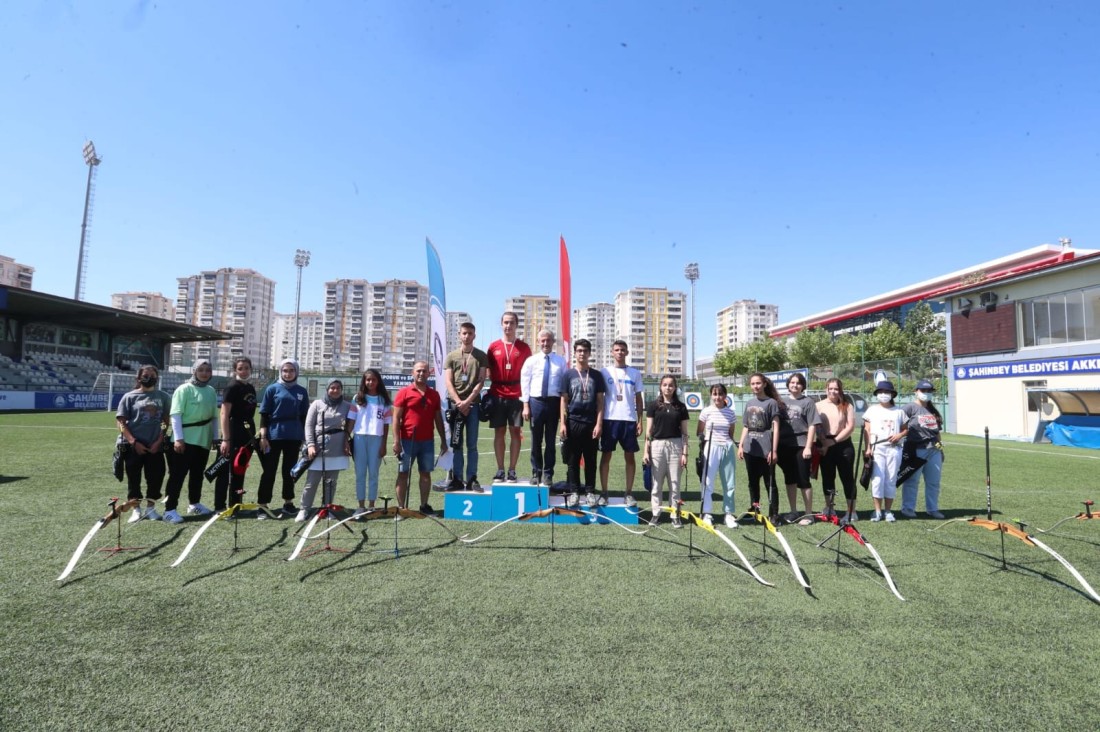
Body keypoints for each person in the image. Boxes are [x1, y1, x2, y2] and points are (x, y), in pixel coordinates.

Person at [163, 358, 219, 524]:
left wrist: (215, 437)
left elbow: (214, 417)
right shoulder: (184, 389)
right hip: (185, 440)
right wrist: (179, 439)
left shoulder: (211, 390)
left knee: (197, 474)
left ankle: (194, 504)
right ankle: (169, 510)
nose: (204, 373)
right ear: (194, 371)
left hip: (204, 439)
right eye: (201, 370)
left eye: (208, 370)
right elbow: (176, 415)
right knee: (177, 475)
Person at [392, 361, 447, 514]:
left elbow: (438, 419)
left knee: (425, 474)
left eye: (424, 371)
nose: (421, 373)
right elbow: (396, 418)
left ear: (429, 373)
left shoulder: (434, 394)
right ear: (412, 373)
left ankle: (424, 506)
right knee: (403, 474)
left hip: (427, 441)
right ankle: (402, 508)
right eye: (418, 371)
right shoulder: (403, 392)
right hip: (407, 440)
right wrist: (397, 441)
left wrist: (443, 440)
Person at [117, 365, 170, 523]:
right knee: (134, 478)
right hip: (134, 446)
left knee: (156, 477)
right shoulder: (129, 397)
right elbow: (121, 422)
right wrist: (133, 442)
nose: (149, 377)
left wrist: (160, 439)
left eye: (152, 375)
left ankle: (151, 508)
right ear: (138, 378)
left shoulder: (163, 397)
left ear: (157, 377)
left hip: (155, 445)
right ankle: (136, 509)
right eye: (146, 375)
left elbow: (164, 422)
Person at [257, 358, 309, 519]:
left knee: (290, 472)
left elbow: (304, 416)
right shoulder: (272, 389)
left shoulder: (302, 391)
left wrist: (304, 438)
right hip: (274, 435)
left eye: (291, 370)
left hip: (293, 435)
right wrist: (263, 436)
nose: (288, 373)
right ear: (281, 371)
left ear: (296, 372)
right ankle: (263, 505)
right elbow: (264, 414)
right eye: (285, 370)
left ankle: (288, 503)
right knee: (269, 471)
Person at [559, 339, 606, 506]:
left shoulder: (597, 375)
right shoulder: (568, 375)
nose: (582, 353)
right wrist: (562, 424)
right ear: (575, 353)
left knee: (591, 460)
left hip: (591, 423)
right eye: (579, 350)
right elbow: (563, 401)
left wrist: (599, 424)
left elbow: (601, 402)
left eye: (585, 351)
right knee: (573, 460)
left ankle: (590, 492)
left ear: (589, 353)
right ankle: (574, 492)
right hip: (572, 422)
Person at [298, 379, 353, 521]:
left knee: (331, 482)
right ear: (327, 389)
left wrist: (347, 440)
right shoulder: (317, 404)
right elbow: (309, 426)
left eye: (338, 388)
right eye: (332, 388)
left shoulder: (347, 406)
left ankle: (327, 508)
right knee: (312, 482)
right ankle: (304, 509)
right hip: (318, 447)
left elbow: (350, 424)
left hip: (337, 448)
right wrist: (310, 444)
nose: (335, 390)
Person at [598, 339, 645, 506]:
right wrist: (599, 421)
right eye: (617, 350)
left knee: (630, 458)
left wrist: (640, 421)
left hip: (629, 420)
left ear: (627, 352)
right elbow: (600, 399)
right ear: (612, 352)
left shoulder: (635, 373)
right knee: (606, 456)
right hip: (609, 420)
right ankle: (604, 492)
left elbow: (639, 399)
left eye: (622, 350)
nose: (620, 352)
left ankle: (629, 493)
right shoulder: (605, 372)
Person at [486, 311, 531, 482]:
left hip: (516, 394)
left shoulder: (524, 348)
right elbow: (488, 370)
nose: (508, 326)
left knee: (515, 432)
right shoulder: (493, 347)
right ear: (501, 324)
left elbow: (528, 374)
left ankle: (512, 470)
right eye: (505, 322)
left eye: (511, 322)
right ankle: (500, 470)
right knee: (499, 432)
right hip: (497, 394)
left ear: (516, 325)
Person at [443, 322, 488, 491]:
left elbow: (481, 381)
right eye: (464, 333)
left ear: (474, 335)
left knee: (472, 445)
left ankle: (472, 479)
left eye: (470, 333)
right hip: (455, 406)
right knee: (456, 444)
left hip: (473, 405)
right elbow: (448, 381)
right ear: (459, 335)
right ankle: (457, 479)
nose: (467, 336)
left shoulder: (481, 356)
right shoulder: (452, 356)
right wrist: (458, 402)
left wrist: (468, 402)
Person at [520, 329, 567, 488]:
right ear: (538, 342)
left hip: (554, 403)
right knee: (535, 441)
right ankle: (536, 472)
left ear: (553, 342)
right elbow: (525, 383)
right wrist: (526, 405)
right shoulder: (531, 361)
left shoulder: (560, 361)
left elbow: (564, 386)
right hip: (536, 403)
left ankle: (548, 474)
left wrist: (563, 410)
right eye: (543, 340)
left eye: (548, 340)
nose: (546, 343)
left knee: (550, 442)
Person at [644, 374, 689, 527]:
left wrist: (685, 453)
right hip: (657, 446)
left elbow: (684, 433)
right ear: (660, 387)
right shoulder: (653, 406)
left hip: (676, 446)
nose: (668, 388)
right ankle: (655, 514)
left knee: (674, 484)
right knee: (656, 484)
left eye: (671, 385)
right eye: (665, 385)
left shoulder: (681, 407)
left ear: (675, 387)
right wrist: (646, 451)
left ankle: (674, 515)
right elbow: (648, 431)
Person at [777, 372, 821, 525]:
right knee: (789, 479)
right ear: (788, 384)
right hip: (784, 446)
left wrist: (808, 447)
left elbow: (812, 425)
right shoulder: (781, 402)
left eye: (798, 383)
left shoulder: (808, 402)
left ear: (803, 386)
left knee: (803, 480)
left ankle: (809, 514)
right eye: (792, 382)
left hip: (801, 446)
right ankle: (794, 511)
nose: (795, 385)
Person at [737, 373, 782, 523]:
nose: (755, 386)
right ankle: (754, 509)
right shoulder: (749, 403)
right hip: (751, 449)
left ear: (764, 384)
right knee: (752, 482)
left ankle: (774, 513)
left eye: (758, 383)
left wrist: (773, 450)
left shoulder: (771, 403)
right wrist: (741, 445)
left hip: (766, 450)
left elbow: (776, 427)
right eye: (752, 384)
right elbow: (746, 426)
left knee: (770, 483)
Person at [214, 357, 256, 512]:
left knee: (240, 470)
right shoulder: (232, 387)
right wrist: (226, 439)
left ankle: (235, 505)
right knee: (225, 472)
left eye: (246, 367)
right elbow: (224, 414)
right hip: (233, 432)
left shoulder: (250, 387)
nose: (244, 371)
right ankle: (219, 507)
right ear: (235, 370)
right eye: (240, 368)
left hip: (247, 433)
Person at [348, 369, 392, 515]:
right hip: (359, 438)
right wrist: (345, 440)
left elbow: (386, 424)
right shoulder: (358, 398)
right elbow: (351, 421)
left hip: (377, 439)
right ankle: (361, 505)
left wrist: (384, 444)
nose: (370, 382)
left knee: (373, 473)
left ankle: (371, 505)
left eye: (373, 379)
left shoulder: (384, 400)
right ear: (364, 381)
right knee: (360, 473)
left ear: (378, 381)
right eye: (368, 380)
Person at [862, 380, 907, 522]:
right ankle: (877, 511)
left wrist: (899, 435)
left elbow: (906, 429)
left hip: (894, 449)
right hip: (877, 449)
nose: (883, 395)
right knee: (877, 479)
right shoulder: (872, 410)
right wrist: (868, 447)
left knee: (891, 480)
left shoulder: (899, 411)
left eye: (886, 392)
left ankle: (888, 511)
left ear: (892, 394)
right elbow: (867, 430)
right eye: (880, 392)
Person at [900, 379, 945, 519]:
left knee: (933, 482)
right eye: (923, 390)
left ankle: (932, 509)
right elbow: (901, 428)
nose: (926, 393)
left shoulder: (933, 410)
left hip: (934, 451)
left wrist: (941, 450)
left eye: (929, 391)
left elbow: (937, 433)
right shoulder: (909, 408)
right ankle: (908, 508)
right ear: (916, 391)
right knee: (912, 481)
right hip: (916, 450)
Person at [816, 378, 859, 524]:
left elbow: (850, 427)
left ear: (840, 390)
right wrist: (824, 442)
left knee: (847, 478)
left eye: (836, 389)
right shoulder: (818, 405)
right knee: (828, 477)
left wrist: (833, 441)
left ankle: (851, 511)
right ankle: (829, 507)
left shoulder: (847, 405)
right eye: (831, 388)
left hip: (843, 445)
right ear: (825, 389)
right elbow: (817, 426)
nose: (833, 391)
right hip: (824, 445)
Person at [696, 383, 737, 528]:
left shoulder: (730, 413)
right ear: (711, 395)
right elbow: (699, 432)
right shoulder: (706, 411)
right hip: (711, 447)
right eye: (714, 394)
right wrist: (703, 441)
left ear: (725, 396)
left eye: (720, 394)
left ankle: (729, 514)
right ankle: (706, 512)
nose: (717, 397)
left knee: (729, 482)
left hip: (727, 447)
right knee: (707, 481)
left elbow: (731, 433)